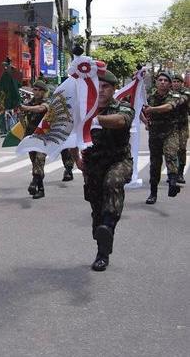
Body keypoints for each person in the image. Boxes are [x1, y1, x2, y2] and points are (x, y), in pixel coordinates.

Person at [71, 70, 133, 271]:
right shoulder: (83, 110)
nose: (101, 90)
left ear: (114, 89)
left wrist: (95, 119)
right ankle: (103, 245)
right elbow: (72, 135)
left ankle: (107, 234)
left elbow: (121, 121)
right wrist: (76, 159)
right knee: (97, 217)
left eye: (105, 86)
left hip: (119, 161)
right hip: (93, 166)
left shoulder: (122, 107)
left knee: (113, 182)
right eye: (97, 86)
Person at [142, 72, 185, 204]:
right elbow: (139, 110)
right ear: (156, 82)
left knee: (170, 154)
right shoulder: (149, 98)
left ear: (170, 84)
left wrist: (151, 110)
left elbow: (168, 107)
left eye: (165, 80)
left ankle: (173, 182)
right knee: (155, 164)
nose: (162, 82)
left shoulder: (175, 96)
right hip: (154, 134)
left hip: (170, 131)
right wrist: (146, 122)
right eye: (160, 80)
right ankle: (153, 193)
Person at [19, 81, 50, 199]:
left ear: (43, 92)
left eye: (38, 90)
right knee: (35, 163)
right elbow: (23, 121)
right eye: (35, 89)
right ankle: (40, 189)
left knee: (39, 160)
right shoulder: (29, 103)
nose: (36, 92)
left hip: (43, 137)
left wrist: (25, 107)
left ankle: (33, 183)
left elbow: (40, 109)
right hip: (31, 137)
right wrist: (21, 113)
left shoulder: (47, 102)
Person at [172, 74, 189, 184]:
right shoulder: (168, 92)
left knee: (181, 149)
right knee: (171, 150)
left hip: (182, 126)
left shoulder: (186, 92)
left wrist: (170, 103)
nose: (175, 83)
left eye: (178, 81)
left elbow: (182, 100)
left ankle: (180, 173)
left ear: (182, 83)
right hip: (171, 126)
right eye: (174, 81)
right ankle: (172, 173)